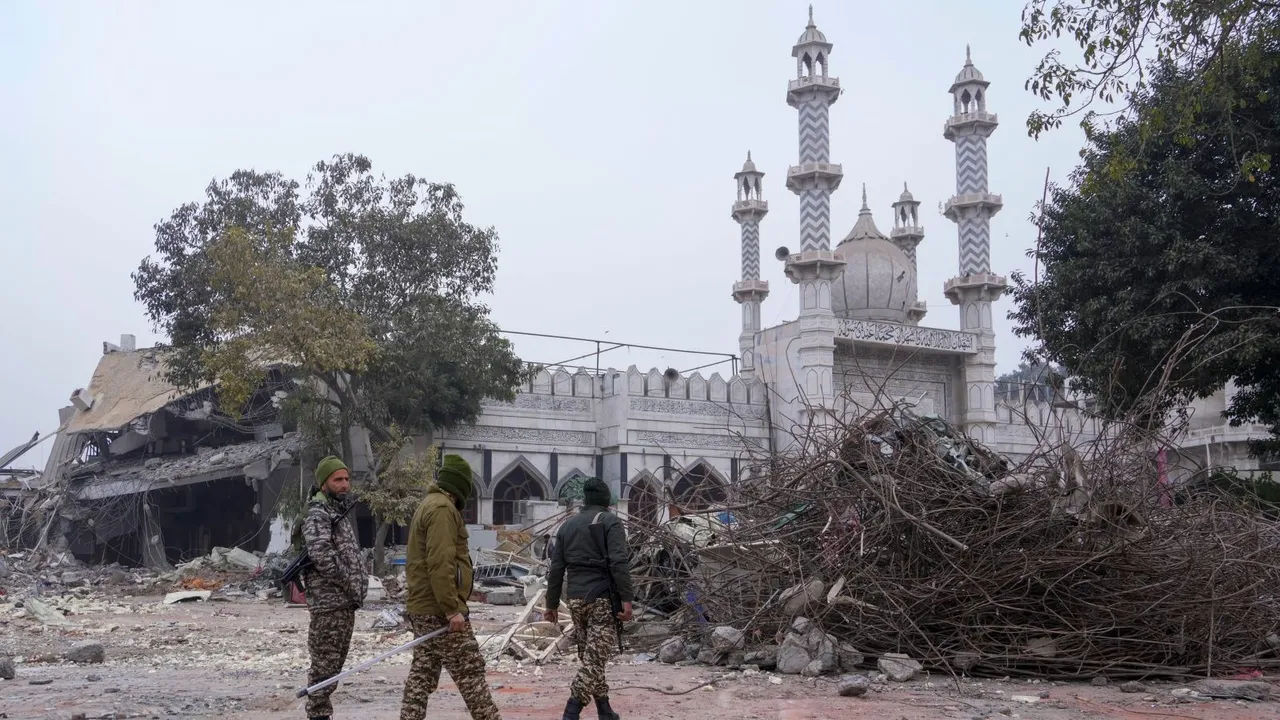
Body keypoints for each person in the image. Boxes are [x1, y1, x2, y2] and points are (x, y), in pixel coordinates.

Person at [399, 454, 502, 720]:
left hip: (423, 607)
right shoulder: (443, 509)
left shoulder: (428, 504)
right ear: (461, 486)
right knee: (471, 673)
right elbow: (441, 562)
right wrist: (451, 609)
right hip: (439, 610)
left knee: (422, 674)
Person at [545, 477, 634, 720]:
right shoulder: (610, 522)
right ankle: (570, 713)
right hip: (602, 600)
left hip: (575, 599)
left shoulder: (567, 526)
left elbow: (555, 568)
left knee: (592, 656)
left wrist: (551, 603)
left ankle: (605, 711)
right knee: (594, 661)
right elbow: (619, 562)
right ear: (607, 501)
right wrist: (627, 598)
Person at [301, 455, 369, 720]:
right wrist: (350, 581)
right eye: (337, 479)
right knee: (324, 667)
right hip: (329, 605)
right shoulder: (318, 513)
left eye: (346, 479)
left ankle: (321, 713)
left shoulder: (335, 511)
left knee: (333, 667)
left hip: (342, 603)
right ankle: (318, 715)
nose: (344, 484)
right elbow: (321, 554)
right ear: (323, 484)